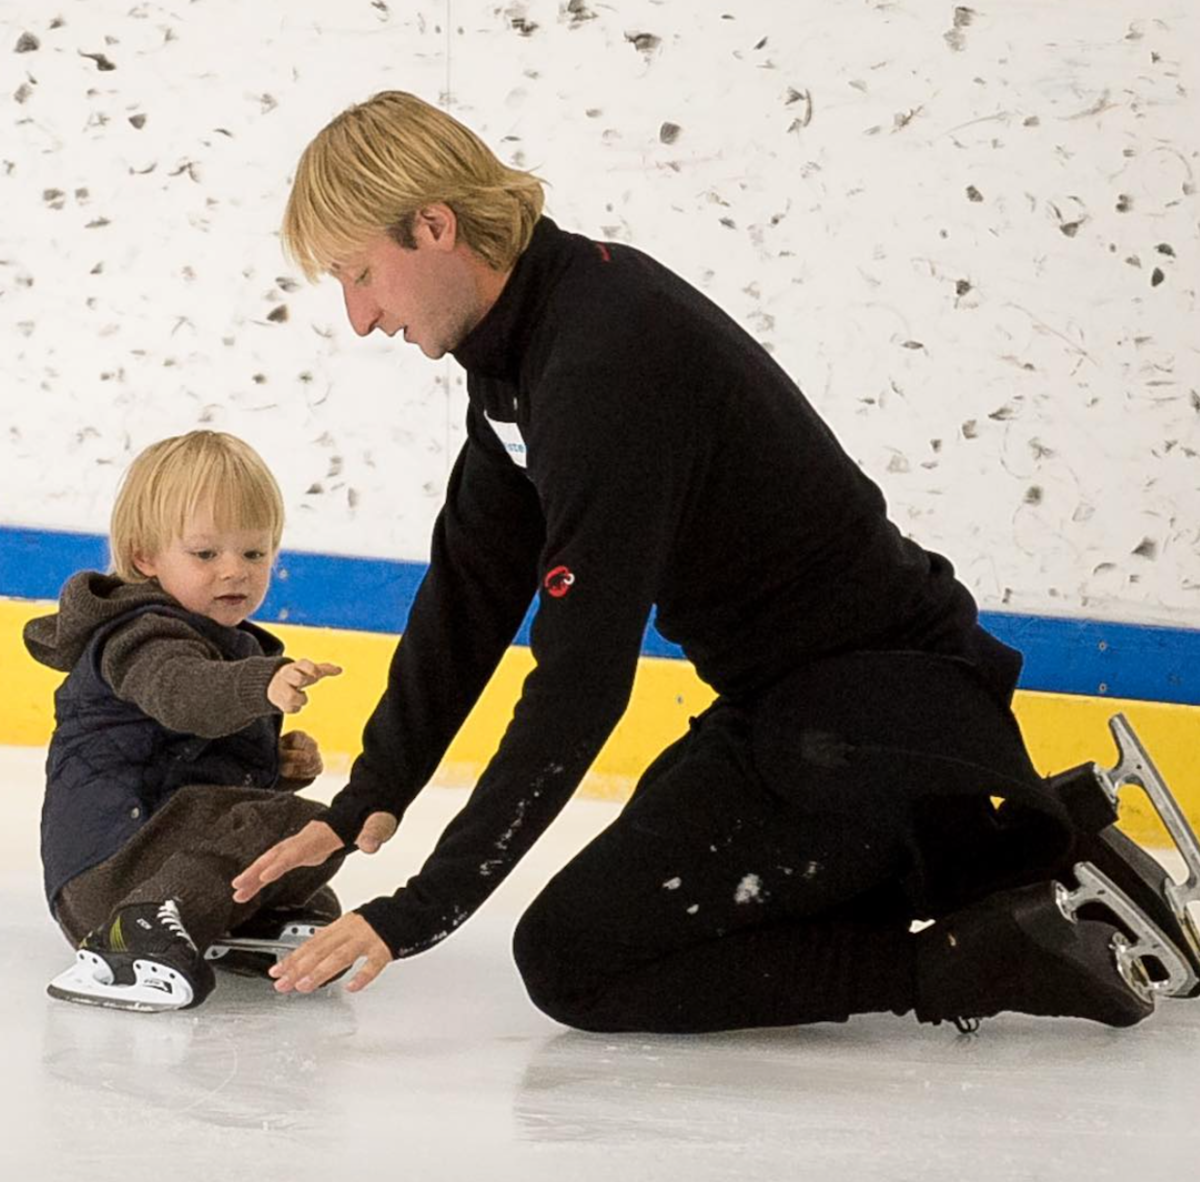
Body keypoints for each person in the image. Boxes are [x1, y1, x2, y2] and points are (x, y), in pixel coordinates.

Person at [232, 90, 1200, 1032]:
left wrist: (425, 904)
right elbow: (470, 590)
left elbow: (580, 677)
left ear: (434, 226)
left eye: (360, 274)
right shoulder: (528, 344)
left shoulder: (604, 356)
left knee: (577, 961)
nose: (360, 317)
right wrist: (369, 796)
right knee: (656, 904)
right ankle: (1027, 858)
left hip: (871, 722)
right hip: (810, 714)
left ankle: (984, 953)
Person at [26, 430, 346, 1011]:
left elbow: (206, 768)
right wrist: (259, 687)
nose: (235, 572)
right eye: (206, 554)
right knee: (304, 826)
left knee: (313, 841)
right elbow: (182, 693)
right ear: (146, 556)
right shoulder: (137, 635)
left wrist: (280, 765)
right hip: (112, 867)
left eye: (254, 553)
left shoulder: (235, 645)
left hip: (162, 849)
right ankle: (141, 929)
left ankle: (244, 918)